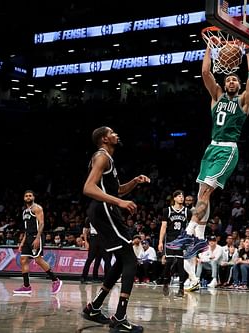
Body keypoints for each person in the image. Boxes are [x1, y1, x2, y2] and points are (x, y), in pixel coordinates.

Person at [166, 41, 249, 261]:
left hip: (227, 150)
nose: (231, 81)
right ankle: (198, 237)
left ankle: (188, 233)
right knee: (201, 194)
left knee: (206, 192)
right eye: (228, 79)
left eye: (235, 79)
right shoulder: (216, 96)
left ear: (239, 84)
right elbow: (205, 71)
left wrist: (247, 52)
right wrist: (210, 47)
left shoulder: (243, 101)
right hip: (211, 147)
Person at [81, 126, 150, 333]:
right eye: (112, 133)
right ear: (104, 139)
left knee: (122, 259)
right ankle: (120, 317)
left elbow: (117, 189)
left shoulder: (107, 159)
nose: (116, 134)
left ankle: (94, 307)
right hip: (104, 210)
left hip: (104, 209)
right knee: (130, 259)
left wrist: (135, 182)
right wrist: (118, 203)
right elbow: (88, 188)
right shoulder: (102, 157)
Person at [13, 190, 62, 295]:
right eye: (26, 196)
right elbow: (26, 229)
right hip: (28, 237)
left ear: (33, 197)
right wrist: (22, 242)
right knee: (23, 259)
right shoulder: (24, 211)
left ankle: (55, 280)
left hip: (36, 236)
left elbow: (41, 223)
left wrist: (37, 238)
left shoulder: (37, 208)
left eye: (30, 195)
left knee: (38, 260)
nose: (28, 197)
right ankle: (26, 286)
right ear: (24, 198)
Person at [158, 190, 192, 297]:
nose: (181, 198)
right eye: (179, 196)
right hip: (170, 240)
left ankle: (181, 288)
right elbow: (163, 227)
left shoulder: (187, 211)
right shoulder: (167, 211)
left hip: (182, 240)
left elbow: (191, 227)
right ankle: (166, 282)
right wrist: (160, 241)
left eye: (182, 196)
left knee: (180, 263)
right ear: (175, 198)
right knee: (169, 262)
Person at [81, 217, 112, 284]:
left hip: (103, 238)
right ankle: (83, 277)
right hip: (94, 238)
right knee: (90, 258)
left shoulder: (106, 216)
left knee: (106, 259)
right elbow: (85, 230)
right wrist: (86, 241)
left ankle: (107, 279)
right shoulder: (89, 218)